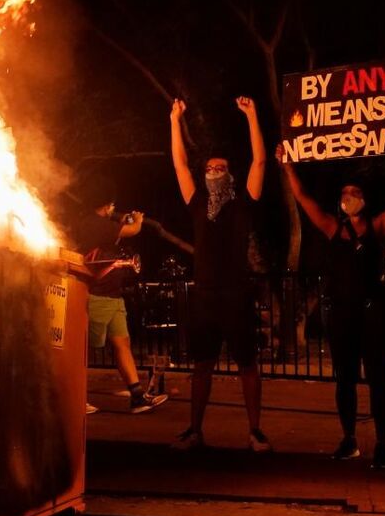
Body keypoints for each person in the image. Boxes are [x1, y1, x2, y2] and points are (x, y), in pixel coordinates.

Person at [277, 135, 385, 469]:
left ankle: (382, 444)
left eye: (354, 194)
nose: (348, 198)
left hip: (372, 313)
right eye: (344, 194)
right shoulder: (331, 227)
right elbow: (301, 197)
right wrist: (287, 164)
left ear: (365, 200)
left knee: (379, 381)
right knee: (345, 381)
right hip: (340, 314)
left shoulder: (378, 226)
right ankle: (349, 439)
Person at [169, 96, 270, 453]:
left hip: (237, 294)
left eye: (220, 167)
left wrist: (252, 116)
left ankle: (255, 432)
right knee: (202, 366)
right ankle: (195, 431)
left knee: (247, 365)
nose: (214, 171)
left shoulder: (243, 200)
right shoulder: (196, 202)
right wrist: (174, 121)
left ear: (230, 174)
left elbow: (260, 160)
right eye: (210, 168)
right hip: (205, 295)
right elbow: (180, 164)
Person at [76, 178, 169, 414]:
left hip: (112, 295)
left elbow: (116, 229)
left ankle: (137, 396)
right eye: (111, 206)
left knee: (122, 343)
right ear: (107, 204)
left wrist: (121, 217)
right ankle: (75, 397)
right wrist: (137, 219)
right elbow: (132, 230)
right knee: (82, 348)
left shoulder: (99, 223)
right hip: (96, 294)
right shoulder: (93, 223)